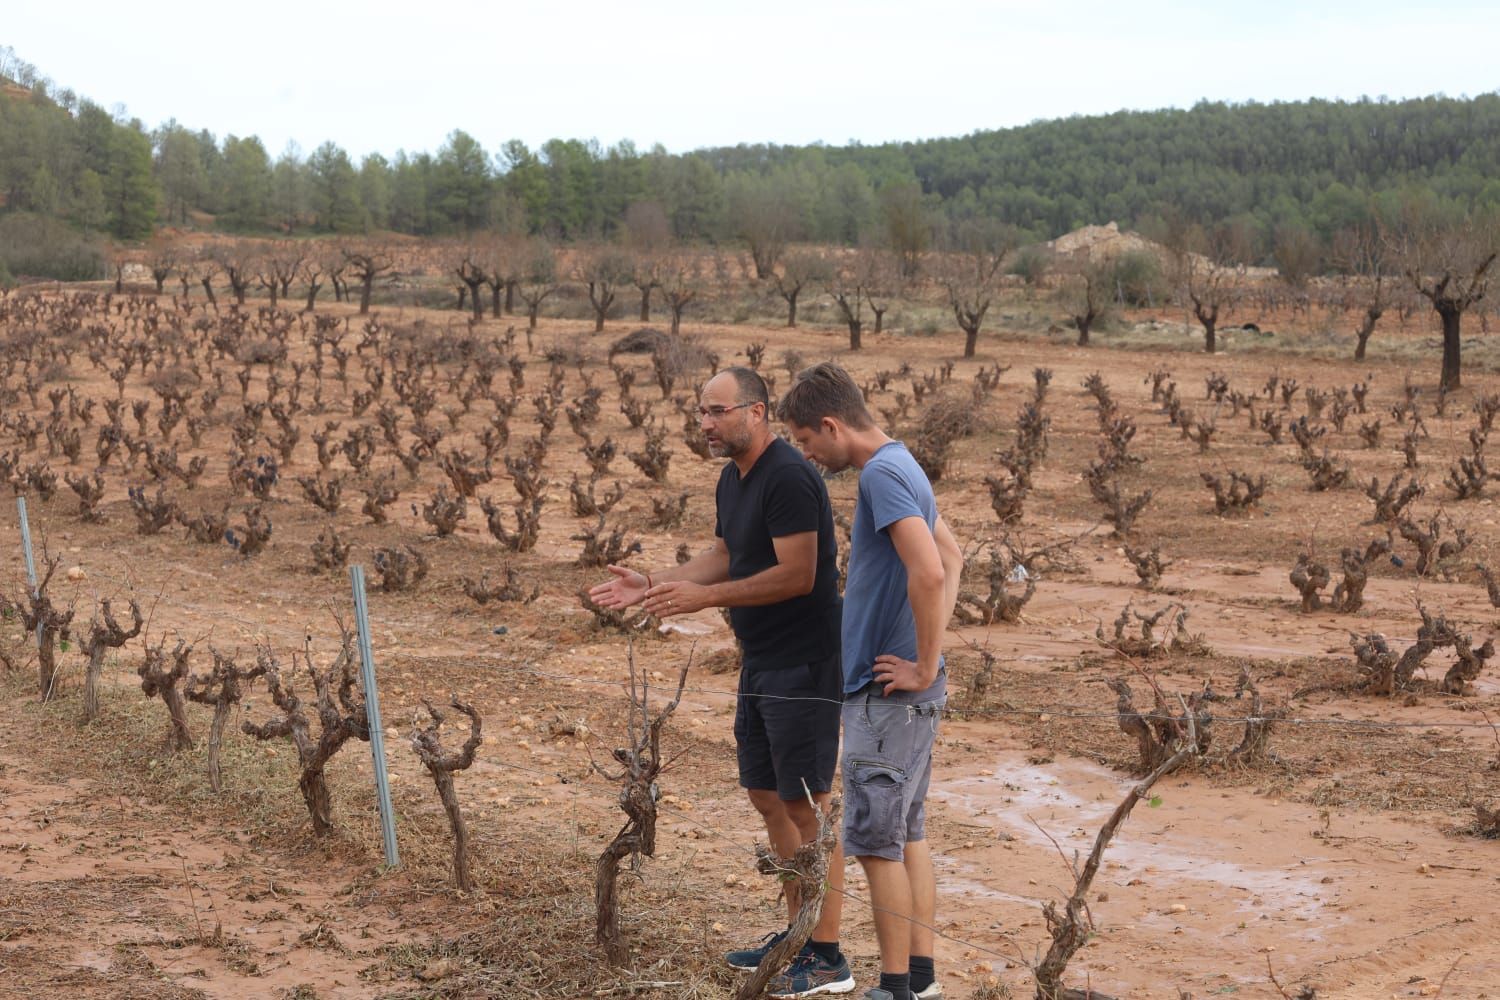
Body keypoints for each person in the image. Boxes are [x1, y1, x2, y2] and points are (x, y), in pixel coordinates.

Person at [588, 366, 853, 998]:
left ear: (756, 411)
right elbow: (728, 554)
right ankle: (796, 937)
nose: (705, 423)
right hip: (761, 658)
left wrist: (705, 599)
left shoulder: (789, 476)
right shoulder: (734, 480)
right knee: (768, 797)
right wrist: (654, 584)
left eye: (717, 411)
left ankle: (828, 956)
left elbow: (798, 575)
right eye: (700, 411)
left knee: (808, 806)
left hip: (805, 660)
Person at [779, 362, 963, 1000]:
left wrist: (924, 661)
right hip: (907, 694)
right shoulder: (904, 462)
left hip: (887, 695)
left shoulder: (881, 476)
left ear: (831, 425)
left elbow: (932, 571)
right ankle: (920, 975)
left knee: (873, 840)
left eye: (807, 441)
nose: (808, 454)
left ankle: (892, 988)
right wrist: (927, 656)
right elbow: (955, 553)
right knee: (906, 832)